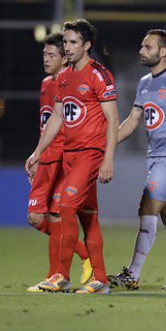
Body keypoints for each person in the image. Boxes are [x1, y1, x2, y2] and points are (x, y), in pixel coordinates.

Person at [107, 29, 166, 291]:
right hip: (156, 156)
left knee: (146, 208)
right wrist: (106, 143)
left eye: (147, 47)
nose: (141, 51)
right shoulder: (144, 83)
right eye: (141, 46)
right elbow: (133, 121)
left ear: (163, 52)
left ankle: (133, 274)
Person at [26, 19, 119, 294]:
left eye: (73, 42)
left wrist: (108, 158)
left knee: (65, 207)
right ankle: (100, 279)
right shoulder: (64, 77)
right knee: (89, 216)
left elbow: (112, 120)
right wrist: (38, 151)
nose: (67, 47)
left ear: (87, 45)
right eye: (65, 42)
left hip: (90, 154)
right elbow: (57, 116)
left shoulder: (99, 75)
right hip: (69, 155)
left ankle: (60, 275)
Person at [25, 32, 92, 292]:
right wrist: (37, 153)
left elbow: (66, 123)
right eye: (44, 54)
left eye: (52, 54)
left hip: (61, 159)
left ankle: (56, 276)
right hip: (47, 158)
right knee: (38, 217)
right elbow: (47, 123)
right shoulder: (46, 84)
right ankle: (84, 257)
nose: (46, 58)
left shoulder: (67, 83)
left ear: (65, 59)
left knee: (52, 217)